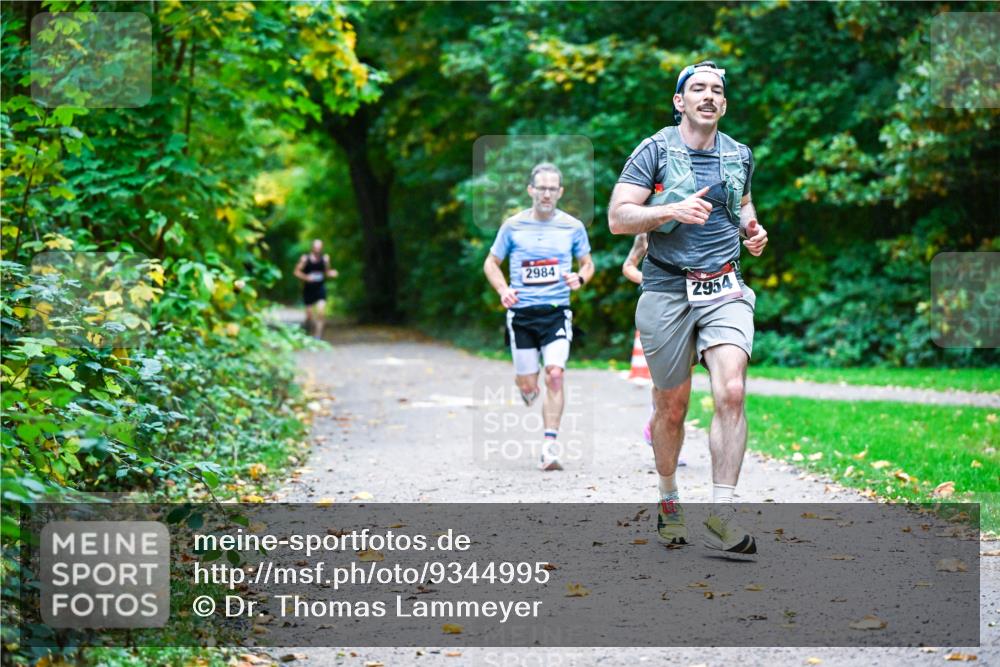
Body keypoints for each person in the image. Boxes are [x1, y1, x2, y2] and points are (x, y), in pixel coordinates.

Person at [608, 62, 769, 556]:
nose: (708, 96)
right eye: (698, 88)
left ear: (724, 104)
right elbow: (618, 217)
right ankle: (668, 499)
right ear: (680, 101)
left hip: (724, 286)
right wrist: (670, 210)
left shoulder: (738, 154)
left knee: (732, 390)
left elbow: (743, 205)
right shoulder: (655, 150)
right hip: (666, 288)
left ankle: (722, 515)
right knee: (671, 407)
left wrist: (752, 230)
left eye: (716, 90)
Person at [484, 163, 595, 471]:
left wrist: (580, 278)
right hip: (521, 314)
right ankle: (526, 386)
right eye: (542, 188)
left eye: (552, 189)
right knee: (529, 385)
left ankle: (550, 446)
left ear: (560, 192)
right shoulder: (512, 226)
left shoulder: (572, 226)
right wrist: (503, 289)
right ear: (531, 190)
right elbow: (491, 263)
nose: (547, 194)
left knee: (555, 374)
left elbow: (587, 264)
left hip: (556, 312)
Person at [622, 233, 686, 466]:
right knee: (663, 380)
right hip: (657, 309)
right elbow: (628, 266)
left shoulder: (690, 232)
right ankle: (658, 427)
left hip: (689, 307)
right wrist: (648, 278)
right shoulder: (645, 235)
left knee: (681, 383)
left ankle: (662, 431)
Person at [293, 240, 338, 339]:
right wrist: (306, 278)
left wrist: (332, 273)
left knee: (321, 312)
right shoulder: (305, 258)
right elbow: (296, 272)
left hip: (320, 288)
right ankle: (307, 331)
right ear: (312, 247)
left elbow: (326, 272)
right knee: (309, 315)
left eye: (319, 247)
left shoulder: (325, 259)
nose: (318, 249)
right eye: (316, 247)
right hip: (308, 289)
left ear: (322, 248)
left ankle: (318, 336)